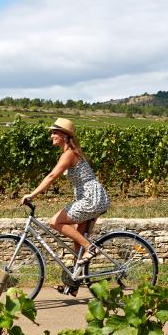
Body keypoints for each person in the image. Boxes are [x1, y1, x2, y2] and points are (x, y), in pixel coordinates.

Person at [20, 118, 110, 293]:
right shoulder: (71, 152)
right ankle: (73, 283)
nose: (52, 135)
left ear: (65, 136)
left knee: (55, 221)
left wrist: (32, 194)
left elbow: (52, 176)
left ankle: (90, 248)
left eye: (55, 132)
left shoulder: (69, 154)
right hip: (90, 197)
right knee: (77, 238)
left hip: (91, 198)